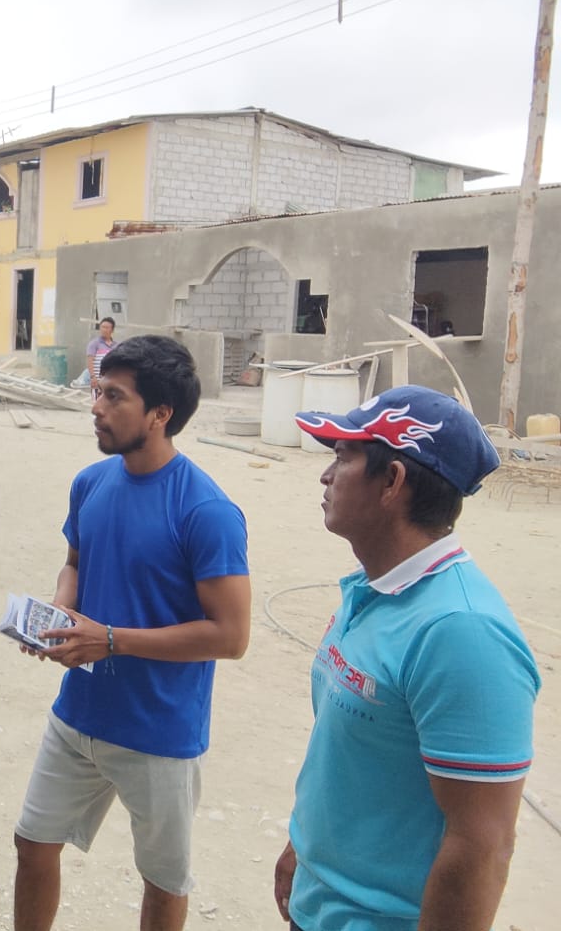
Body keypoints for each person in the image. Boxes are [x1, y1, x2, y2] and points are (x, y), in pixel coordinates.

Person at [275, 386, 540, 931]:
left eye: (343, 457)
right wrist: (303, 844)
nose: (326, 476)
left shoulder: (460, 633)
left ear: (392, 481)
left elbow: (482, 845)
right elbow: (355, 755)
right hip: (320, 904)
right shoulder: (372, 589)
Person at [14, 335, 251, 931]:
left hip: (159, 731)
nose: (96, 407)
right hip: (79, 715)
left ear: (160, 414)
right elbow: (75, 562)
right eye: (97, 391)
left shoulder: (207, 512)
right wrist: (60, 612)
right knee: (32, 843)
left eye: (114, 396)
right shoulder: (90, 483)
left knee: (163, 883)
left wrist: (112, 639)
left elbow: (231, 636)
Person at [85, 316, 118, 388]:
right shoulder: (94, 343)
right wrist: (93, 377)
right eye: (102, 327)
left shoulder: (116, 346)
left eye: (107, 328)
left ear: (112, 330)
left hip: (111, 381)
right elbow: (90, 361)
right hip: (97, 381)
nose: (104, 330)